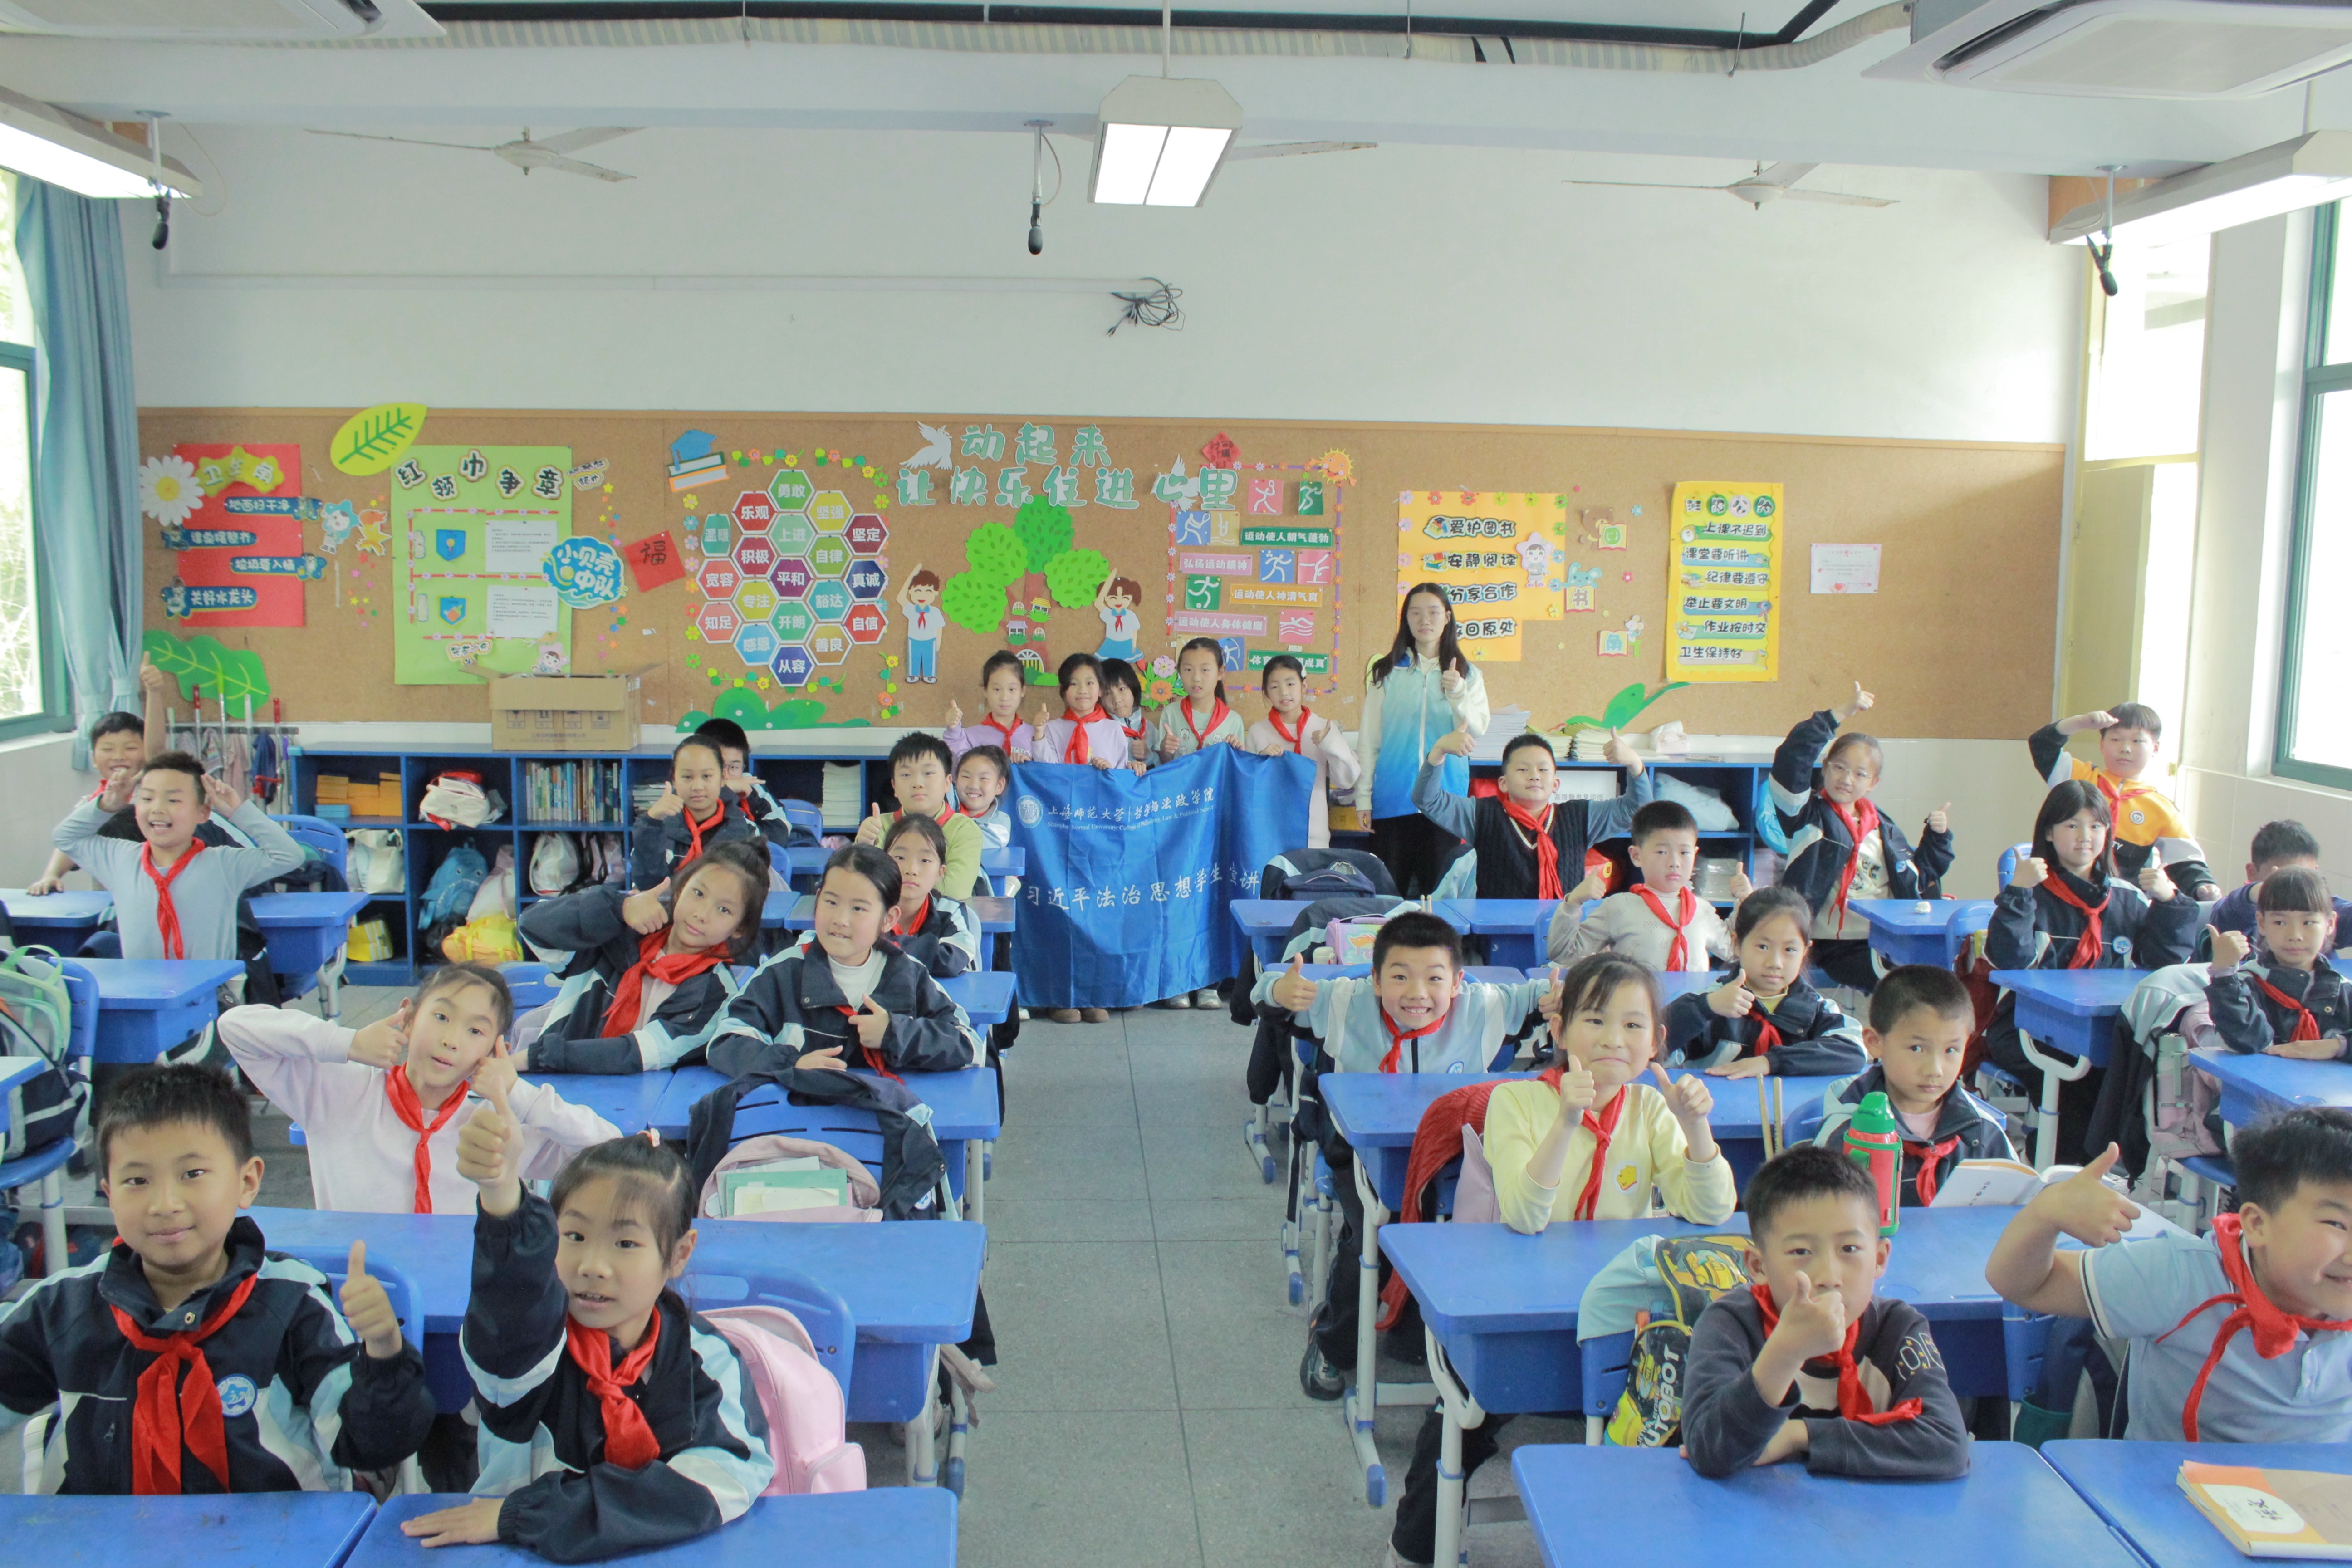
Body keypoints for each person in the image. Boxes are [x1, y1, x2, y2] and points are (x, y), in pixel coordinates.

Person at [1386, 953, 1734, 1568]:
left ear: (1656, 1040)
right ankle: (1415, 1549)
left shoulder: (1651, 1109)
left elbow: (1709, 1210)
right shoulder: (1517, 1102)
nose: (1613, 1040)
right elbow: (1525, 1215)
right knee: (1462, 1421)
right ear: (1560, 1030)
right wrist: (1570, 1119)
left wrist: (1697, 1130)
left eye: (1633, 1026)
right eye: (1595, 1021)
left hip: (1619, 1313)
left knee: (1685, 1410)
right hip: (1520, 1309)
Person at [0, 1063, 435, 1492]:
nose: (165, 1204)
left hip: (275, 1534)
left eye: (192, 1174)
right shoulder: (62, 1308)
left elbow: (371, 1445)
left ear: (247, 1181)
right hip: (99, 1537)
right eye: (137, 1180)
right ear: (109, 1194)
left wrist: (384, 1351)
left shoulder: (292, 1305)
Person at [400, 1128, 772, 1557]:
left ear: (679, 1254)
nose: (593, 1266)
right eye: (574, 1237)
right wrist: (503, 1201)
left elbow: (721, 1476)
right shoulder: (531, 1345)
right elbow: (510, 1313)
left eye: (626, 1243)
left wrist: (523, 1514)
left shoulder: (706, 1358)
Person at [1258, 912, 1558, 1402]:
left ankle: (1438, 1335)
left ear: (1458, 982)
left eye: (1435, 979)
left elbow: (1539, 994)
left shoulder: (1482, 1005)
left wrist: (1558, 995)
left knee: (1478, 1233)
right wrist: (1277, 991)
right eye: (1399, 977)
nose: (1417, 993)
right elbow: (1265, 994)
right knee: (1375, 1237)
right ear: (1376, 980)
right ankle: (1333, 1342)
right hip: (1362, 1150)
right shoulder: (1345, 1001)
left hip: (1455, 1154)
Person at [1986, 1109, 2352, 1442]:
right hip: (2168, 1490)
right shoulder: (2180, 1278)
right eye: (2336, 1224)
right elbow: (2024, 1285)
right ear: (2256, 1224)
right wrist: (2046, 1214)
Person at [221, 962, 619, 1210]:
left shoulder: (494, 1127)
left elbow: (612, 1152)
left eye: (476, 1031)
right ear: (408, 1019)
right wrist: (346, 1042)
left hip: (460, 1300)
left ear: (495, 1050)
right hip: (353, 1296)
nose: (451, 1040)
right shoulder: (337, 1093)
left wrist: (518, 1093)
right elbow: (235, 1027)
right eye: (441, 1017)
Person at [1680, 1144, 1969, 1479]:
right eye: (1801, 1251)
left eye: (1850, 1248)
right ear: (1758, 1266)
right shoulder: (1730, 1324)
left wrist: (1800, 1436)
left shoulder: (1898, 1328)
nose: (1829, 1277)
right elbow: (1708, 1450)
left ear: (1879, 1259)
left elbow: (1947, 1446)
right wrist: (1786, 1352)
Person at [1982, 779, 2197, 1165]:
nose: (2086, 837)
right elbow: (2009, 960)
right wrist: (2018, 893)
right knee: (2075, 1085)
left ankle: (2097, 1167)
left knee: (2130, 1078)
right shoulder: (2034, 893)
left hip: (2102, 1030)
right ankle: (2060, 1166)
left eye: (2096, 826)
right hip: (2029, 1027)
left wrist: (2170, 902)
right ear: (2049, 833)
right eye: (2072, 826)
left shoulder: (2127, 897)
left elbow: (2162, 963)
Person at [707, 846, 981, 1078]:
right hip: (802, 1119)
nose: (840, 919)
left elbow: (971, 1045)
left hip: (880, 1121)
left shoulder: (908, 974)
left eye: (858, 908)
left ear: (888, 919)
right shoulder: (783, 972)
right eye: (831, 902)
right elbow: (726, 1040)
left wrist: (895, 1033)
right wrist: (791, 1064)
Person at [510, 843, 770, 1074]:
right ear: (680, 890)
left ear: (740, 928)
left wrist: (539, 1058)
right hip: (552, 1088)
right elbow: (532, 926)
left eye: (724, 910)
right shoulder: (614, 934)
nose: (702, 914)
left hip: (630, 1104)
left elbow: (635, 1053)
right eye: (698, 894)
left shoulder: (716, 995)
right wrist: (618, 908)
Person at [1768, 684, 1955, 990]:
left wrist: (1938, 837)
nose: (1846, 779)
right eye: (1840, 768)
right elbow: (1792, 757)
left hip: (1886, 936)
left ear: (1873, 783)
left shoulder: (1885, 829)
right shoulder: (1807, 816)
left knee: (1941, 970)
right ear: (1825, 768)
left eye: (1860, 774)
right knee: (1903, 983)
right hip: (1834, 945)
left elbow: (1921, 878)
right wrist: (1838, 714)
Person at [51, 750, 304, 961]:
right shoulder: (120, 859)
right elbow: (65, 838)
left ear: (202, 813)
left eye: (173, 800)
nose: (158, 809)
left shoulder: (223, 864)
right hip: (147, 996)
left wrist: (238, 811)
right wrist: (107, 806)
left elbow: (289, 855)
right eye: (147, 798)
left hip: (208, 996)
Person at [1813, 964, 2014, 1206]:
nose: (1935, 1070)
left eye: (1951, 1050)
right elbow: (1819, 1216)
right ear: (1875, 1042)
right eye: (1917, 1048)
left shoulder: (1981, 1131)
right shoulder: (1847, 1131)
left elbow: (2014, 1209)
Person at [1356, 583, 1490, 896]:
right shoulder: (1386, 672)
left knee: (1441, 900)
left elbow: (1476, 729)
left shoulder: (1468, 674)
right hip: (1394, 799)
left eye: (1433, 612)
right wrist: (1363, 798)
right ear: (1406, 620)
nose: (1424, 620)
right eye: (1415, 613)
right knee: (1387, 898)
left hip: (1445, 803)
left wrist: (1458, 693)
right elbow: (1369, 741)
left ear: (1447, 618)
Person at [1418, 729, 1649, 902]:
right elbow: (1428, 799)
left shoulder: (1581, 817)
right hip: (1499, 933)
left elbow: (1638, 810)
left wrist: (1634, 764)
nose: (1534, 776)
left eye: (1543, 769)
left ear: (1556, 784)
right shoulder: (1481, 815)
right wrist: (1439, 751)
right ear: (1503, 783)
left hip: (1564, 932)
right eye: (1523, 769)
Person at [1663, 886, 1868, 1079]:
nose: (1775, 963)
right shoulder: (1712, 1002)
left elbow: (1854, 1050)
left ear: (1805, 951)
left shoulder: (1817, 1009)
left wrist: (1770, 1062)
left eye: (1790, 950)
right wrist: (1704, 1008)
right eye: (1763, 947)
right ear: (1737, 944)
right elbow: (1654, 1045)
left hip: (1788, 1106)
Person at [2029, 703, 2218, 899]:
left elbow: (2185, 862)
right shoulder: (2077, 778)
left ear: (2155, 748)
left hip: (2123, 905)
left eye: (2137, 741)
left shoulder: (2162, 810)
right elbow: (2041, 745)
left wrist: (2202, 886)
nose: (2125, 748)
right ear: (2102, 744)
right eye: (2116, 739)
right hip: (2061, 896)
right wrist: (2080, 722)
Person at [26, 653, 179, 896]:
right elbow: (70, 841)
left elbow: (156, 748)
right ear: (95, 760)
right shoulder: (93, 804)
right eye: (108, 750)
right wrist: (51, 875)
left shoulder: (152, 783)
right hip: (110, 896)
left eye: (130, 748)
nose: (119, 756)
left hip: (159, 890)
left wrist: (154, 693)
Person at [1548, 800, 1746, 970]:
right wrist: (1573, 903)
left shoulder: (1702, 910)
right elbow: (1564, 953)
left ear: (1695, 854)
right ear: (1636, 856)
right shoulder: (1619, 907)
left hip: (1693, 1003)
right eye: (1662, 852)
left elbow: (1734, 950)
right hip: (1638, 1003)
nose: (1675, 862)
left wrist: (1745, 903)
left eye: (1684, 853)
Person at [2207, 867, 2352, 1061]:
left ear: (2330, 924)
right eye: (2280, 923)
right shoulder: (2244, 985)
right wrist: (2223, 975)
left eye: (2308, 923)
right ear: (2262, 923)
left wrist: (2338, 1046)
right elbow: (2249, 1041)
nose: (2295, 936)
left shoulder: (2343, 989)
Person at [1245, 654, 1359, 848]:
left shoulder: (1323, 728)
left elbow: (1347, 780)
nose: (1284, 692)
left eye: (1290, 684)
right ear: (1266, 693)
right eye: (1275, 687)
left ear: (1304, 686)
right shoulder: (1258, 732)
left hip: (1313, 834)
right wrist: (1261, 762)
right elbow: (1248, 789)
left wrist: (1331, 744)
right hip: (1270, 834)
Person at [853, 732, 984, 901]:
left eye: (928, 773)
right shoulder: (879, 826)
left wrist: (892, 887)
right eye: (906, 775)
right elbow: (861, 887)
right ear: (894, 786)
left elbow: (955, 891)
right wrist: (863, 847)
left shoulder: (964, 830)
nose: (917, 783)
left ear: (947, 783)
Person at [629, 734, 760, 890]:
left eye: (707, 776)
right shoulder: (655, 828)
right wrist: (652, 821)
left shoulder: (746, 831)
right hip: (669, 906)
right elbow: (648, 887)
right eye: (687, 777)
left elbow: (751, 891)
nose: (697, 786)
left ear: (723, 778)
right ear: (674, 780)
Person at [2207, 819, 2352, 955]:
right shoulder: (2234, 911)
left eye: (2307, 922)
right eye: (2282, 880)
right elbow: (2231, 907)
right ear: (2252, 872)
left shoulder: (2322, 908)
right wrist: (2268, 891)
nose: (2295, 935)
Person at [876, 814, 980, 979]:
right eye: (900, 858)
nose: (911, 870)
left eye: (925, 861)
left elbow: (952, 959)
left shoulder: (949, 911)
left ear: (940, 872)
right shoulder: (870, 908)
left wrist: (887, 949)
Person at [691, 718, 799, 848]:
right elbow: (718, 835)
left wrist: (750, 836)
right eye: (719, 766)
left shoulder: (750, 785)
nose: (726, 775)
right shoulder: (690, 792)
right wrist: (725, 791)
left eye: (734, 767)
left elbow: (780, 830)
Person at [1151, 637, 1246, 763]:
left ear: (1221, 672)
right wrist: (1165, 752)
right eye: (1188, 670)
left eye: (1205, 670)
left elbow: (1235, 766)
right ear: (1179, 671)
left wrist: (1237, 754)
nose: (1196, 678)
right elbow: (1164, 765)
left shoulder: (1233, 720)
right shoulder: (1171, 713)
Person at [1034, 652, 1128, 771]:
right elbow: (1046, 773)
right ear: (1064, 691)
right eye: (1074, 684)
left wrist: (1108, 772)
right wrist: (1039, 734)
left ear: (1101, 689)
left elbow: (1122, 774)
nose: (1082, 690)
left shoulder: (1113, 729)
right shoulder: (1052, 729)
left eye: (1090, 683)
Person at [943, 650, 1035, 764]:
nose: (1004, 697)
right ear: (985, 691)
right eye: (997, 689)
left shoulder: (1036, 736)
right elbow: (959, 768)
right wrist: (953, 730)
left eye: (1012, 689)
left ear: (1023, 691)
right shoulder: (969, 737)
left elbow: (1046, 771)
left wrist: (1030, 765)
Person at [1100, 657, 1151, 772]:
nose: (1117, 700)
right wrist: (1125, 766)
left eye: (1122, 689)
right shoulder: (1101, 731)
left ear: (1133, 688)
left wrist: (1148, 755)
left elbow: (1161, 768)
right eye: (1107, 693)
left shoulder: (1149, 729)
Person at [899, 566, 944, 684]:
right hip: (914, 640)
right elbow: (900, 598)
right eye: (918, 591)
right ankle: (913, 674)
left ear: (935, 593)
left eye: (928, 591)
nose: (922, 596)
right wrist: (912, 575)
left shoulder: (935, 612)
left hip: (930, 640)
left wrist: (938, 644)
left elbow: (939, 628)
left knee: (930, 659)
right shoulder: (911, 610)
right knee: (913, 658)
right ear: (911, 591)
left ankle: (930, 675)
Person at [1094, 569, 1143, 662]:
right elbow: (1098, 603)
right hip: (1111, 644)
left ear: (1131, 598)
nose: (1119, 601)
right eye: (1113, 598)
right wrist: (1110, 580)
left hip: (1127, 645)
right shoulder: (1108, 614)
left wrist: (1133, 648)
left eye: (1125, 598)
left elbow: (1135, 631)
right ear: (1106, 598)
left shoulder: (1131, 615)